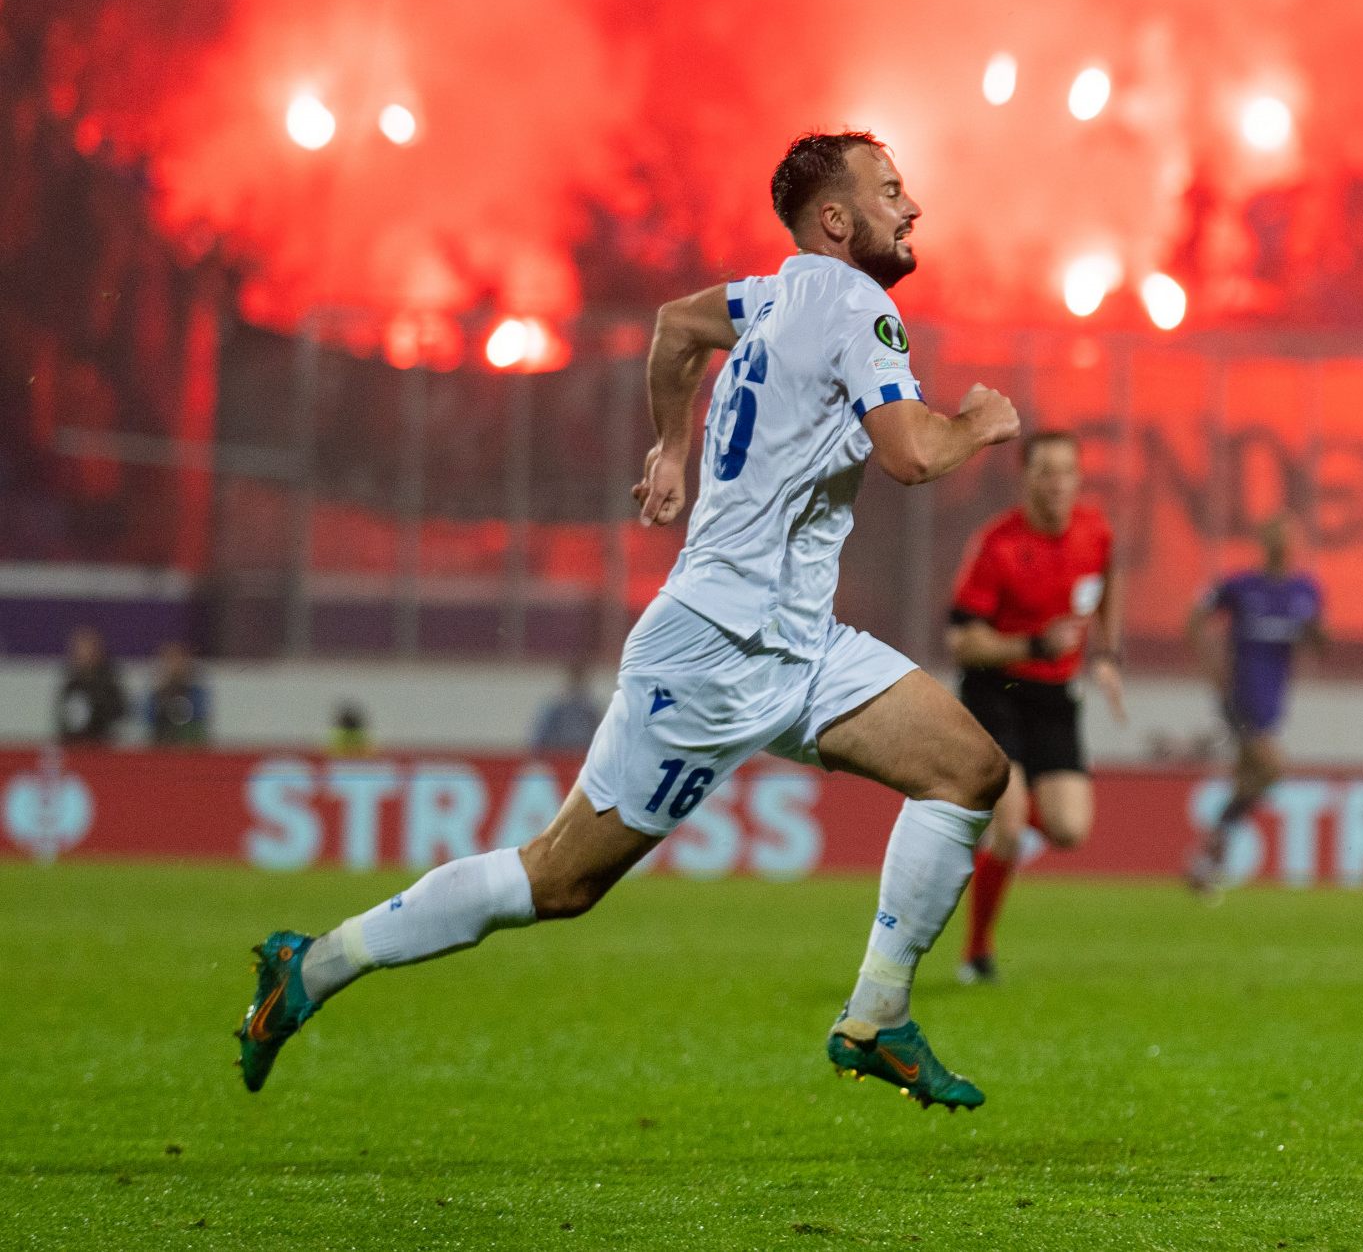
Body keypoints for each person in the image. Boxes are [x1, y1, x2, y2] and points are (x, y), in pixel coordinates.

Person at [236, 130, 1021, 1112]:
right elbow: (909, 455)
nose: (911, 209)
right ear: (834, 218)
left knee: (967, 769)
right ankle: (311, 965)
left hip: (794, 639)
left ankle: (876, 1014)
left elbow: (675, 323)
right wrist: (976, 426)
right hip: (717, 647)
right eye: (891, 191)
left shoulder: (769, 296)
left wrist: (667, 446)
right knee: (556, 880)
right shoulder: (860, 305)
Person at [948, 432, 1124, 982]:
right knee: (1011, 823)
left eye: (1067, 471)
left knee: (1070, 829)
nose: (1058, 484)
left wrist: (1108, 655)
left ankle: (994, 817)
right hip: (995, 690)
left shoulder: (1095, 531)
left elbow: (1109, 580)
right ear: (1025, 478)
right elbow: (961, 642)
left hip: (1053, 695)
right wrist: (1031, 645)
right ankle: (977, 952)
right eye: (1046, 471)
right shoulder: (997, 544)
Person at [1183, 513, 1326, 892]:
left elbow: (1320, 644)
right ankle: (1213, 845)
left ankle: (1206, 864)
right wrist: (1211, 666)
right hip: (1241, 696)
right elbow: (1196, 617)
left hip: (1273, 700)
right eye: (1276, 539)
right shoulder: (1242, 586)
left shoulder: (1305, 591)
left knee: (1248, 779)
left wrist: (1315, 631)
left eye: (1288, 540)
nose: (1282, 547)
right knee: (1272, 767)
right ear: (1265, 544)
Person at [54, 627, 128, 745]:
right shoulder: (71, 684)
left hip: (99, 749)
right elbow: (64, 716)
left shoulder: (108, 684)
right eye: (78, 650)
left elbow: (118, 714)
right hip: (73, 747)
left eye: (86, 649)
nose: (81, 655)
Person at [146, 643, 212, 746]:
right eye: (170, 661)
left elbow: (200, 717)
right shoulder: (157, 693)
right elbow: (149, 718)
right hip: (162, 743)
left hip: (190, 742)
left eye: (178, 661)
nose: (174, 666)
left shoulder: (196, 692)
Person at [532, 661, 605, 752]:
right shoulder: (556, 708)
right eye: (575, 678)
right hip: (559, 758)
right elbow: (540, 739)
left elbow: (601, 739)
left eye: (580, 678)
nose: (578, 682)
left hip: (583, 757)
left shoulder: (591, 711)